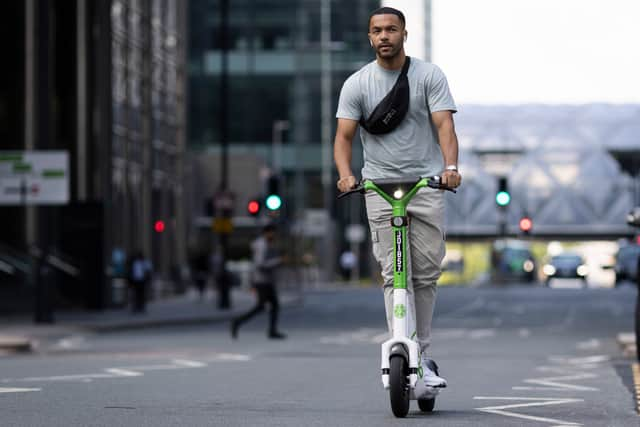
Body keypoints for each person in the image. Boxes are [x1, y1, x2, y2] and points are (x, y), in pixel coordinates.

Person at [333, 7, 461, 387]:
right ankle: (401, 347)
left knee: (425, 274)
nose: (384, 36)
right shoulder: (357, 84)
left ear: (404, 34)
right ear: (369, 37)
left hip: (424, 184)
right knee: (393, 274)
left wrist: (450, 167)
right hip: (379, 188)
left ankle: (421, 352)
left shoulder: (429, 76)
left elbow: (445, 125)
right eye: (377, 31)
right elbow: (343, 137)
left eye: (391, 29)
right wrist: (345, 175)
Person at [230, 224, 286, 339]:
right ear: (267, 232)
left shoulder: (265, 244)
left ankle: (272, 330)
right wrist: (278, 261)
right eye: (272, 232)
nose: (274, 235)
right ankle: (237, 322)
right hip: (262, 281)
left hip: (266, 281)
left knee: (273, 305)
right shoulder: (262, 245)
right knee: (261, 307)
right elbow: (260, 264)